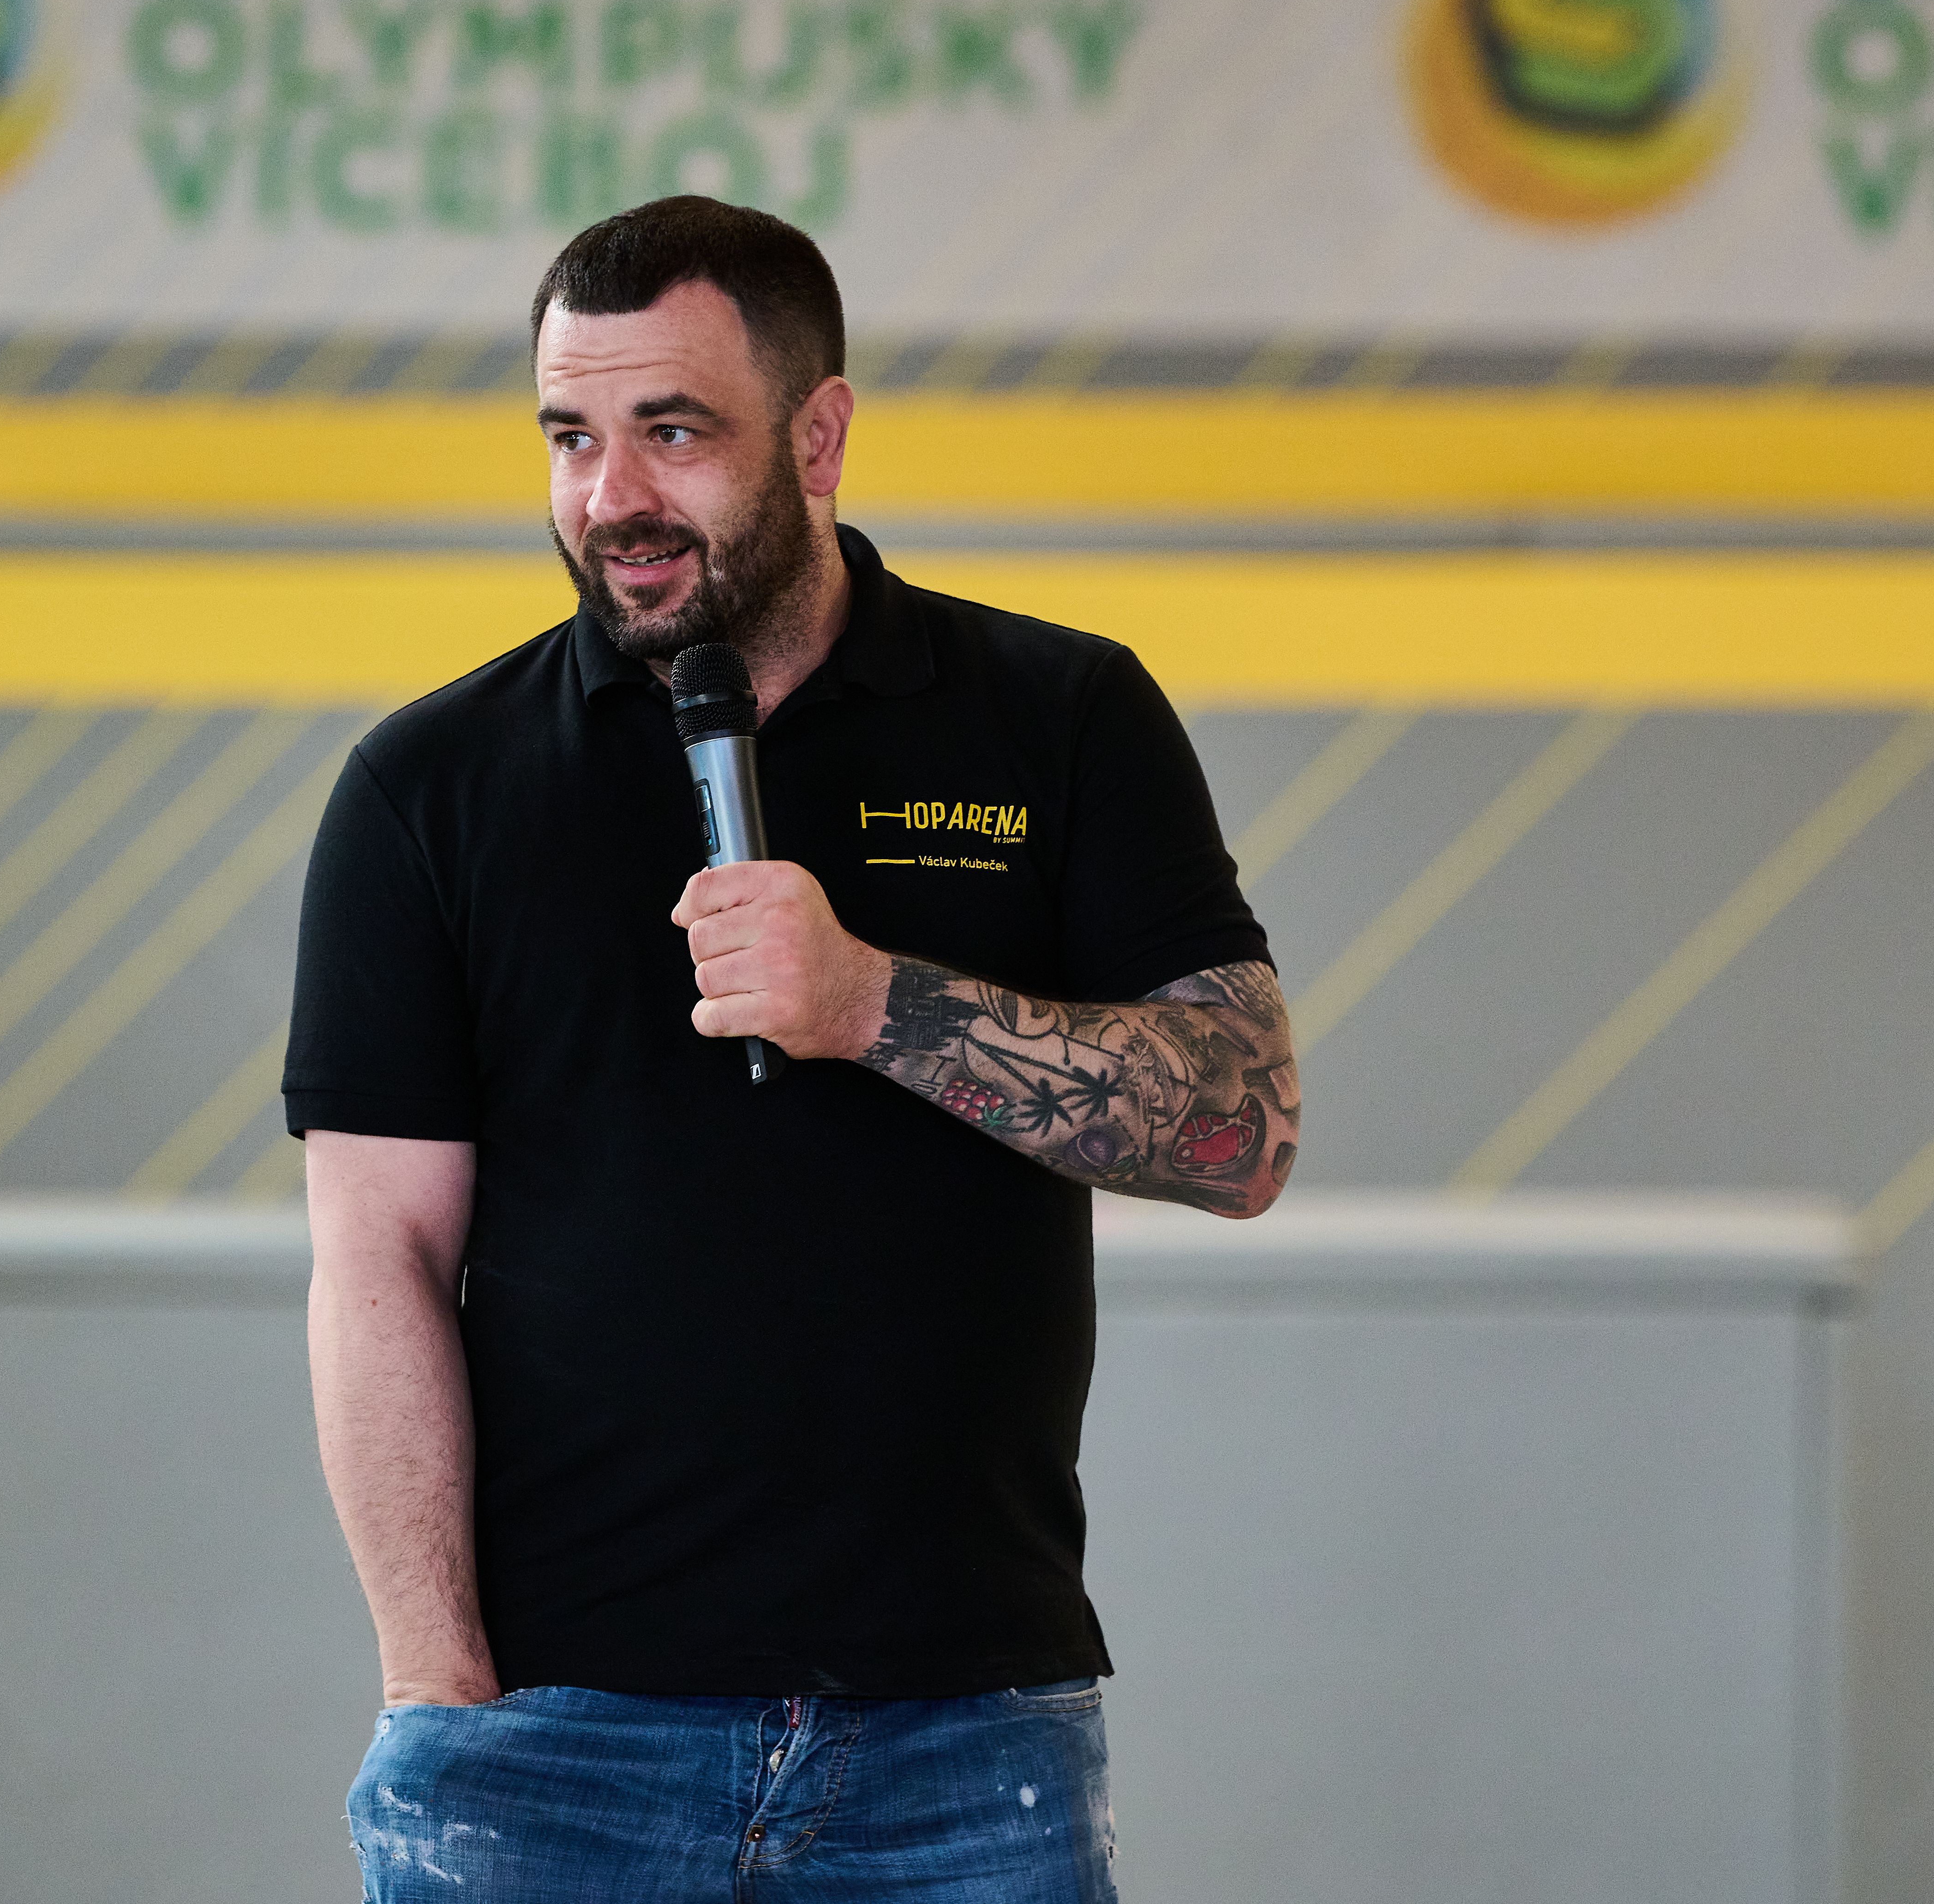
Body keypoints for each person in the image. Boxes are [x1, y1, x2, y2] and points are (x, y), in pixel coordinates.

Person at [287, 196, 1300, 1900]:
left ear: (818, 436)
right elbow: (376, 1256)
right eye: (570, 437)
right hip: (550, 1741)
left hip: (964, 1742)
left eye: (673, 433)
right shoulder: (430, 789)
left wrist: (872, 1003)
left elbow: (1244, 1131)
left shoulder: (1057, 718)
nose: (612, 497)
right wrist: (436, 1683)